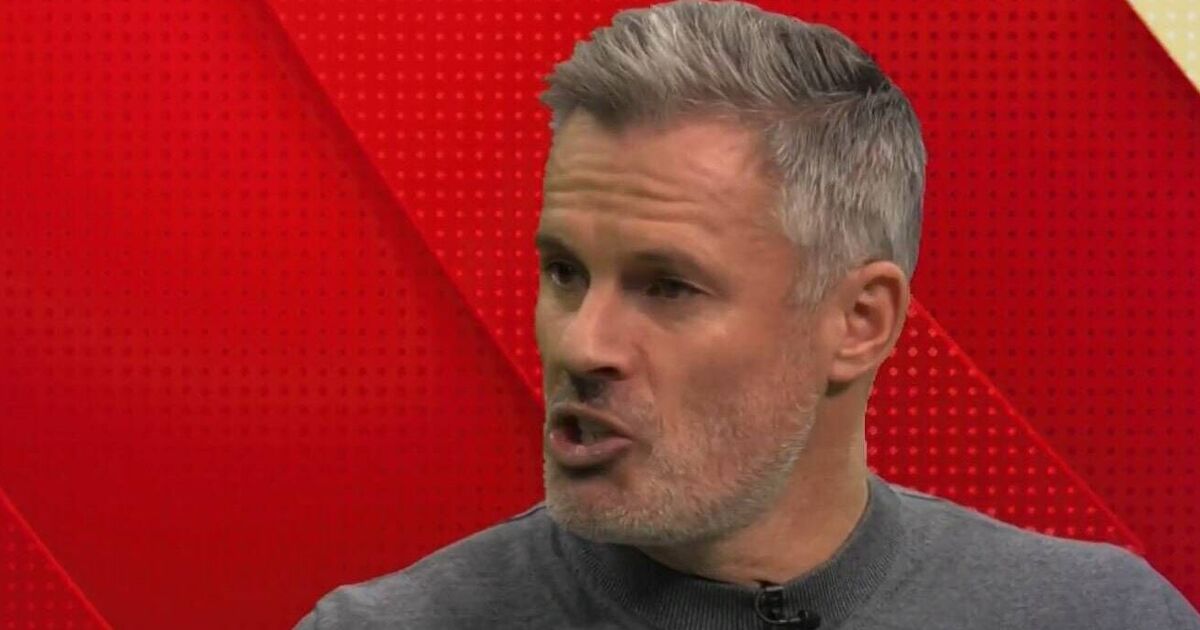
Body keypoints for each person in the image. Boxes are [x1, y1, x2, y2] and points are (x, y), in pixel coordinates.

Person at [294, 1, 1200, 628]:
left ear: (859, 322)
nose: (582, 342)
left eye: (667, 287)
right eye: (565, 272)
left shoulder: (1103, 617)